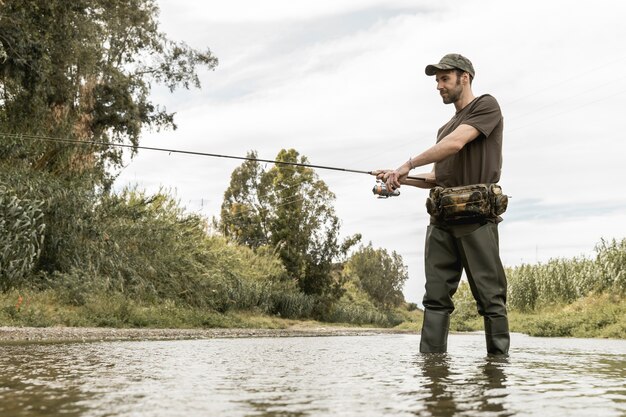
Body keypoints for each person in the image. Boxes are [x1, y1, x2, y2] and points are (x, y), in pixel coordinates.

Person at [375, 53, 509, 355]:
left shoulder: (486, 106)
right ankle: (432, 369)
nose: (439, 85)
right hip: (441, 223)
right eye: (436, 80)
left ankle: (498, 373)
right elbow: (437, 177)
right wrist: (397, 177)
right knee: (435, 298)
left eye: (444, 78)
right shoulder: (443, 130)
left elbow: (457, 144)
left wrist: (407, 163)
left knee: (490, 299)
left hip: (476, 220)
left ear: (465, 77)